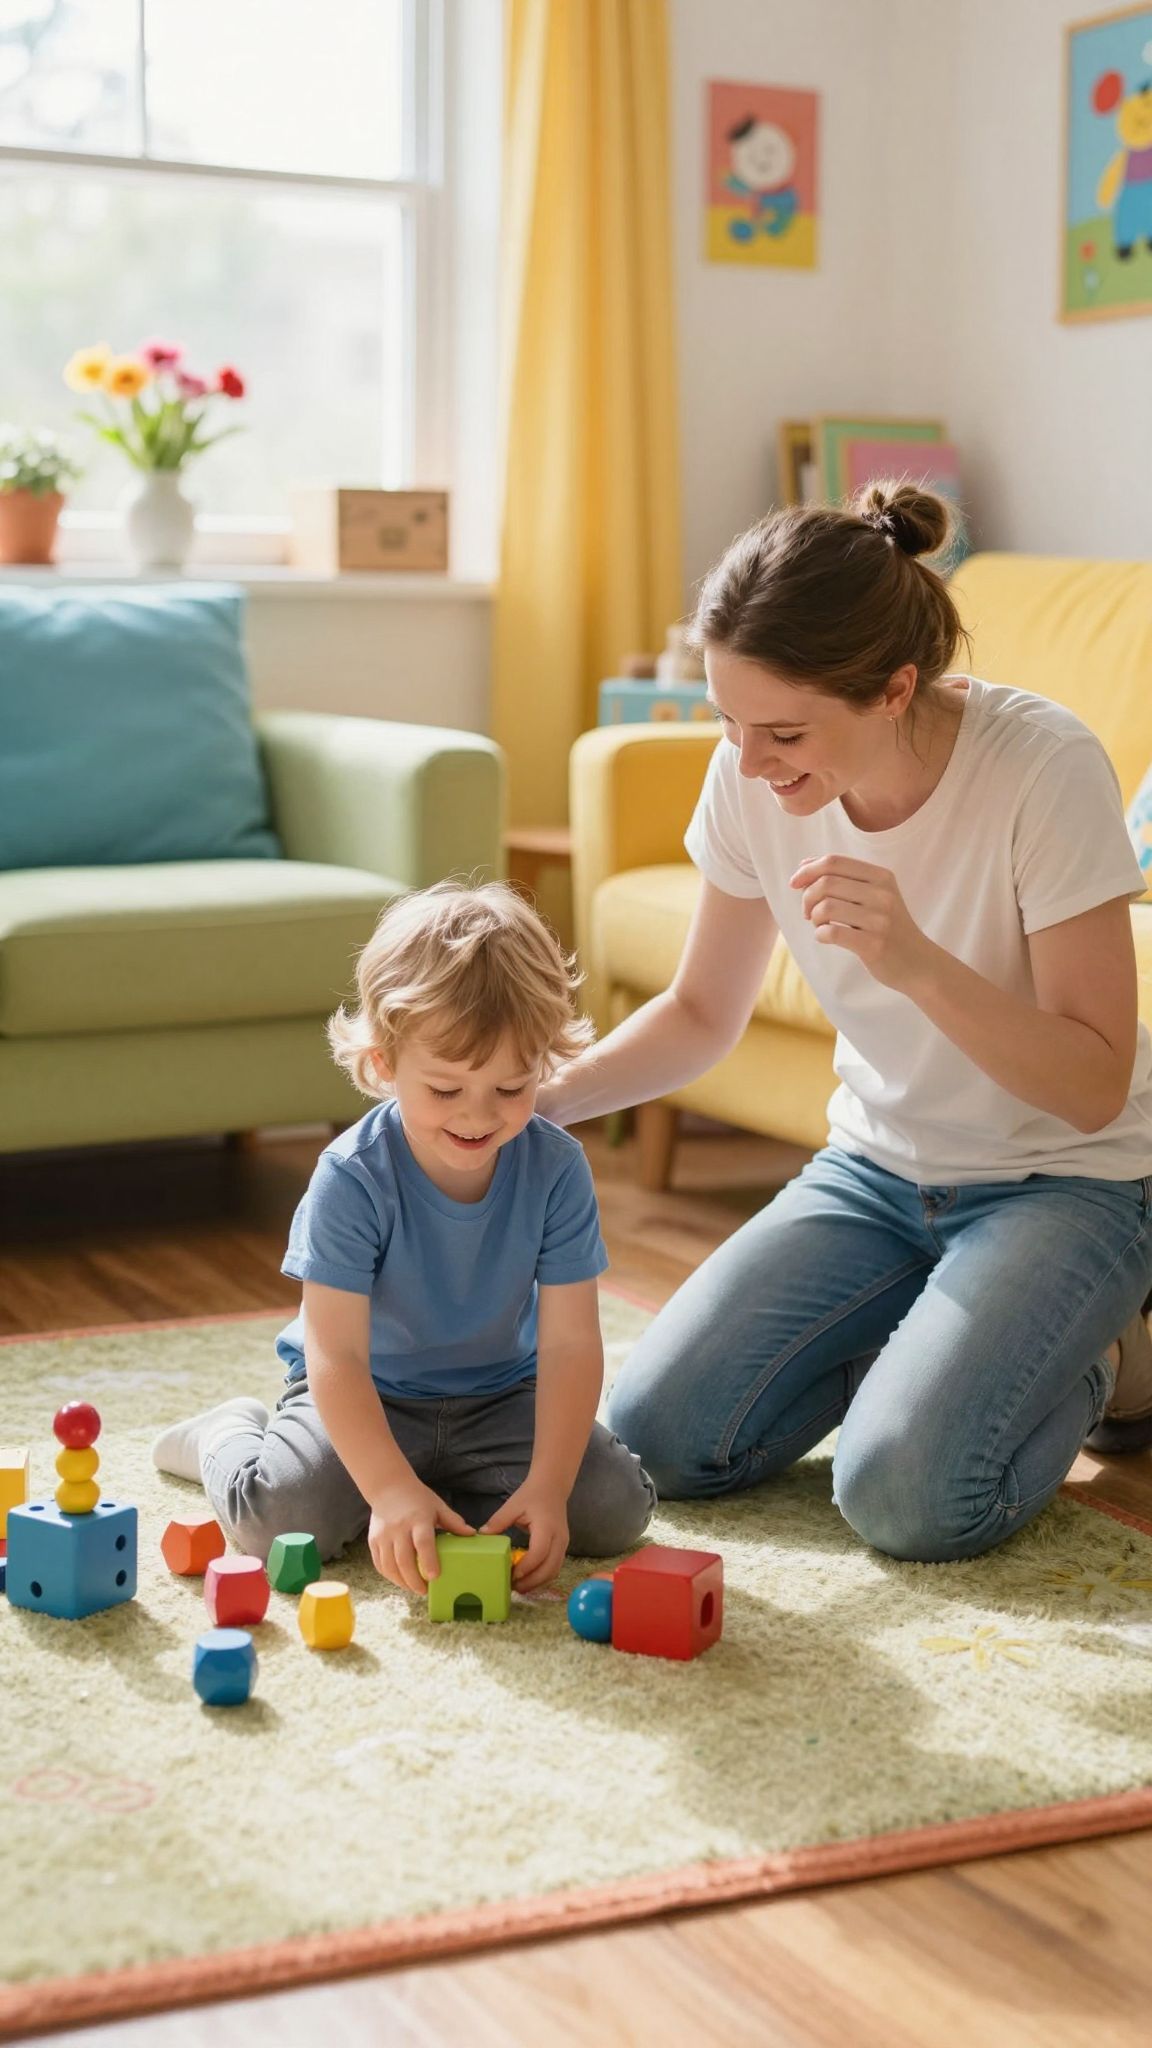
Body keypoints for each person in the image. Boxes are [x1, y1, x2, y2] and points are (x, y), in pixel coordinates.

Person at [537, 481, 1152, 1565]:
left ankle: (1104, 1348)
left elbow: (1097, 1081)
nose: (752, 761)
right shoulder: (749, 776)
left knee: (909, 1495)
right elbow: (698, 1012)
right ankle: (943, 1334)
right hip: (873, 1173)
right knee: (654, 1442)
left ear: (894, 688)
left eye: (782, 731)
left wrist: (916, 962)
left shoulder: (1041, 768)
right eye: (729, 722)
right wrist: (534, 1102)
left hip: (1066, 1180)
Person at [153, 883, 655, 1595]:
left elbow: (572, 1343)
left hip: (503, 1396)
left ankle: (449, 1489)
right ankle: (226, 1435)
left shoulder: (556, 1168)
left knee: (615, 1508)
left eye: (511, 1089)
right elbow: (337, 1355)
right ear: (384, 1062)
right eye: (446, 1091)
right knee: (278, 1519)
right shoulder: (352, 1178)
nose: (479, 1117)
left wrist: (546, 1486)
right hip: (367, 1394)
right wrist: (387, 1487)